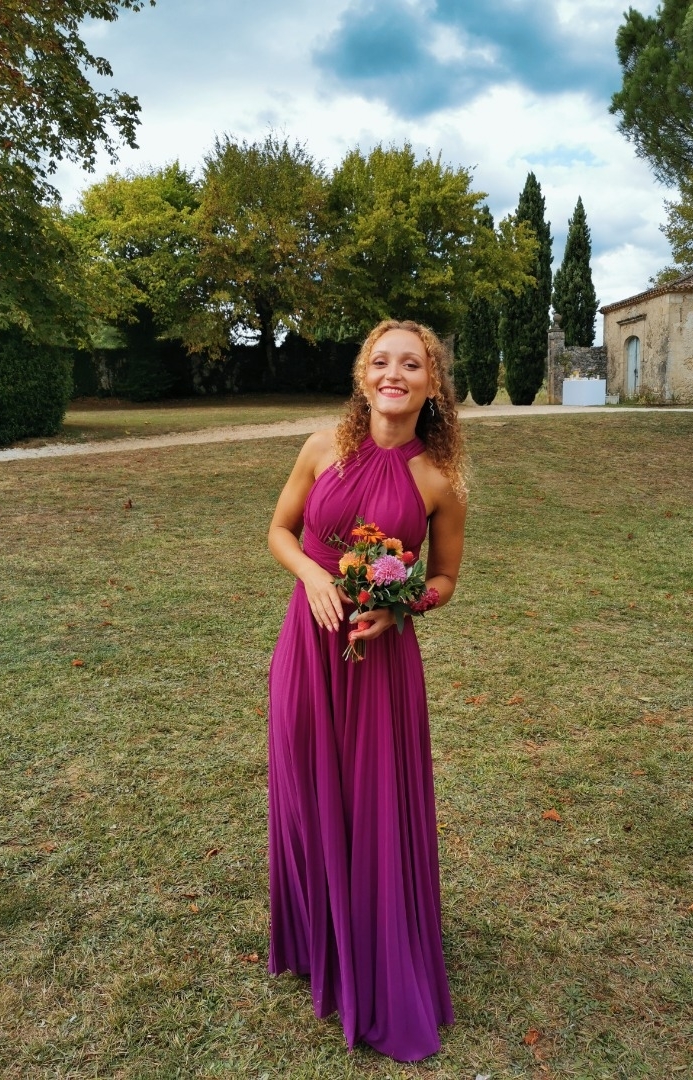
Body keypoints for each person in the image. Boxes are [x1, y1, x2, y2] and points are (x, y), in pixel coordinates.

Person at [267, 319, 468, 1062]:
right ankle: (319, 939)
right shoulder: (322, 448)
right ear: (362, 376)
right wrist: (313, 574)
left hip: (379, 661)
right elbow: (279, 532)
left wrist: (402, 605)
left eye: (411, 365)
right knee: (306, 787)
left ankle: (379, 947)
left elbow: (445, 577)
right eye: (381, 362)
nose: (394, 374)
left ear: (431, 383)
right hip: (307, 645)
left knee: (373, 799)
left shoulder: (438, 481)